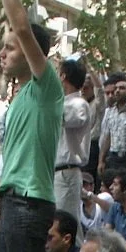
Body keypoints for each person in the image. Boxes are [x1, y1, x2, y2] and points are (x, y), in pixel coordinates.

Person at [0, 0, 63, 252]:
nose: (2, 54)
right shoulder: (20, 97)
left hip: (29, 204)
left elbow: (21, 25)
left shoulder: (45, 86)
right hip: (12, 202)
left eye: (9, 47)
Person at [53, 58, 91, 230]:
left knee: (66, 225)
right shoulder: (60, 103)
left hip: (67, 172)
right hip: (55, 173)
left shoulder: (79, 104)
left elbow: (64, 119)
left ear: (63, 76)